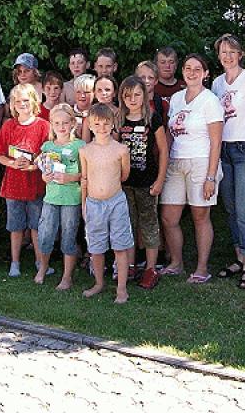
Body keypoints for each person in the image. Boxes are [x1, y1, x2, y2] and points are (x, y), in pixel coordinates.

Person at [160, 53, 224, 284]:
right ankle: (176, 263)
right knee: (169, 217)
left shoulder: (210, 100)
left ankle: (202, 268)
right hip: (176, 162)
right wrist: (164, 161)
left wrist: (211, 177)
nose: (192, 72)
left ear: (205, 74)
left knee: (200, 216)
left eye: (197, 69)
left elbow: (216, 142)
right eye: (188, 68)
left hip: (201, 162)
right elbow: (170, 133)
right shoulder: (177, 98)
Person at [211, 34, 245, 290]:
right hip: (223, 150)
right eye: (223, 52)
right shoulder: (217, 83)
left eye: (232, 51)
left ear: (240, 54)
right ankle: (239, 257)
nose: (228, 56)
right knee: (231, 208)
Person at [0, 84, 51, 277]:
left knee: (36, 225)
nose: (22, 104)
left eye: (26, 100)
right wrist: (12, 163)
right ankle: (15, 262)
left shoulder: (43, 126)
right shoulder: (9, 126)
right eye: (17, 101)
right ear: (12, 104)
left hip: (36, 184)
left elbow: (48, 154)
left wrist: (34, 165)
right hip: (14, 185)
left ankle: (40, 262)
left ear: (34, 101)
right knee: (16, 227)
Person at [117, 77, 168, 290]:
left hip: (147, 182)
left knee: (149, 224)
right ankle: (129, 265)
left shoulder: (152, 118)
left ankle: (150, 268)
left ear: (144, 96)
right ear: (122, 97)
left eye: (137, 94)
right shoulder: (119, 119)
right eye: (128, 95)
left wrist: (160, 179)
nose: (133, 99)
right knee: (128, 224)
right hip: (124, 183)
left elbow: (163, 150)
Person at [80, 103, 132, 303]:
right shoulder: (85, 151)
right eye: (97, 124)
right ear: (90, 125)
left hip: (116, 202)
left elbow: (124, 175)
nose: (102, 127)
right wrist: (84, 205)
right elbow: (84, 180)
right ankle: (99, 283)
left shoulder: (121, 150)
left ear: (112, 124)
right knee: (96, 247)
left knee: (120, 246)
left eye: (106, 123)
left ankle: (122, 288)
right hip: (93, 204)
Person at [35, 104, 85, 289]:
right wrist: (44, 177)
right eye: (57, 123)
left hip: (71, 198)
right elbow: (43, 170)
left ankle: (66, 277)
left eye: (65, 122)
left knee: (69, 235)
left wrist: (70, 178)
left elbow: (86, 174)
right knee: (45, 234)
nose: (61, 127)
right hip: (51, 198)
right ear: (51, 124)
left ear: (72, 123)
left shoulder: (80, 146)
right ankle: (43, 268)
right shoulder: (47, 146)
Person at [81, 75, 118, 142]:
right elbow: (85, 142)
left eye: (107, 90)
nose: (103, 93)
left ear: (114, 93)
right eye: (99, 90)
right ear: (94, 93)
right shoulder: (88, 114)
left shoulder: (120, 114)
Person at [135, 60, 169, 125]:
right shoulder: (130, 102)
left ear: (156, 81)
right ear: (136, 79)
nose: (146, 81)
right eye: (142, 77)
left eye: (150, 78)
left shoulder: (163, 105)